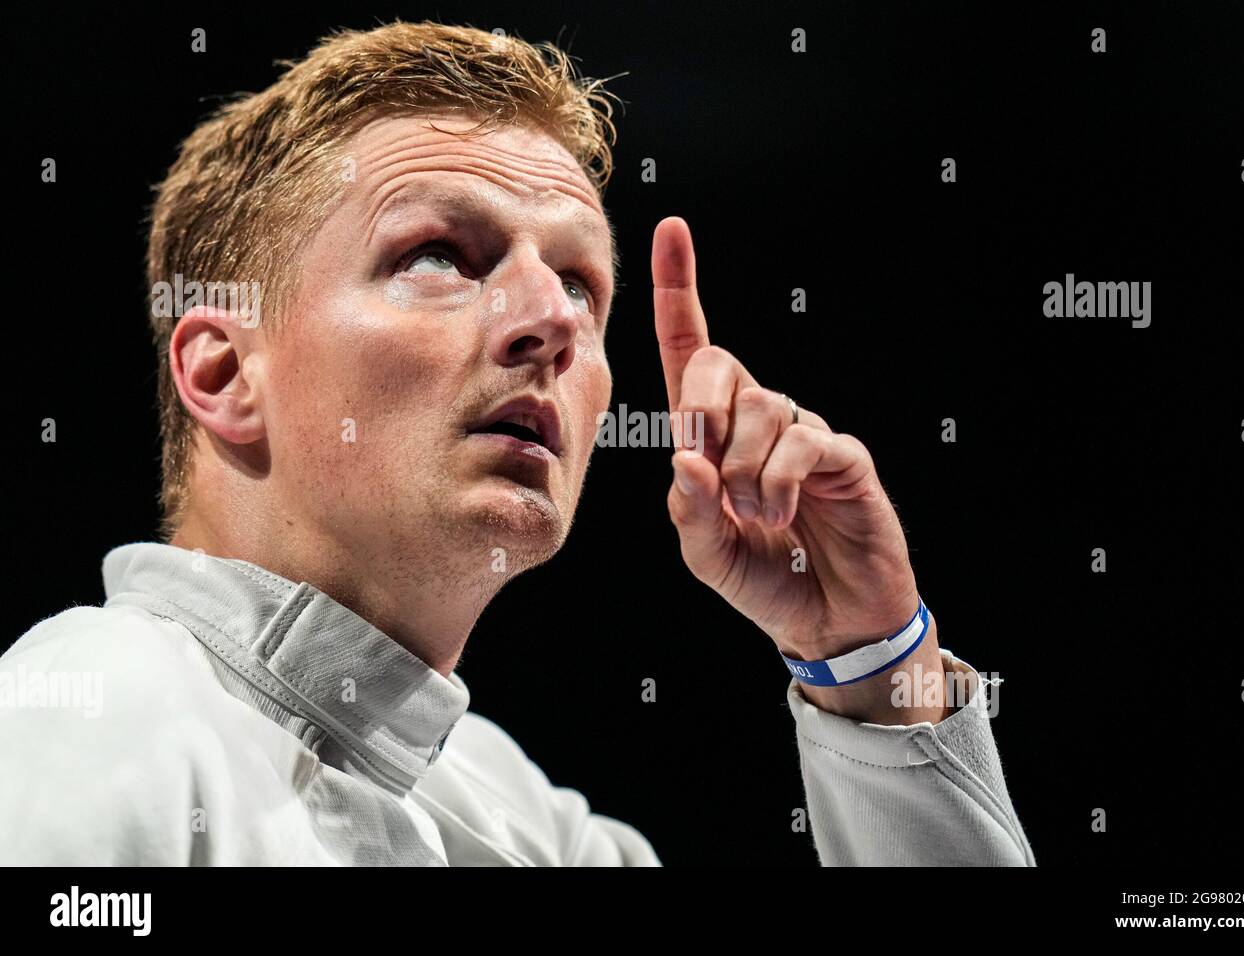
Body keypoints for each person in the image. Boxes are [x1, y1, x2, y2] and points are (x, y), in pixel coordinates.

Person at [0, 21, 1034, 866]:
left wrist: (869, 662)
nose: (555, 319)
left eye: (583, 282)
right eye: (441, 253)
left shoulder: (531, 827)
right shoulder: (88, 713)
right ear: (225, 375)